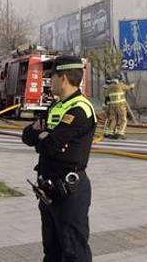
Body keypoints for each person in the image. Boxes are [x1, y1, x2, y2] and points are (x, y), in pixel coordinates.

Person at [23, 55, 96, 262]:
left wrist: (44, 138)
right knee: (52, 252)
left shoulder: (80, 109)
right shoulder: (55, 106)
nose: (49, 80)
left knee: (74, 252)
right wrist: (43, 137)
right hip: (48, 190)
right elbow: (27, 136)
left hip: (69, 192)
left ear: (62, 78)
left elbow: (50, 145)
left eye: (51, 76)